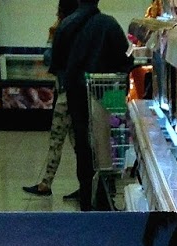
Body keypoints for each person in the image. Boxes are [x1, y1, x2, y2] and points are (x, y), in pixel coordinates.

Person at [48, 0, 130, 211]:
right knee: (108, 146)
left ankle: (86, 197)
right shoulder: (109, 24)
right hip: (108, 94)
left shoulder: (66, 25)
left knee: (83, 146)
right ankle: (104, 197)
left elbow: (56, 63)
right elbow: (125, 59)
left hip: (77, 94)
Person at [23, 0, 81, 199]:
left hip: (65, 95)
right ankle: (87, 183)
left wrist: (51, 38)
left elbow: (49, 58)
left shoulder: (62, 30)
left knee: (56, 139)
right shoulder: (82, 28)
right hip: (78, 93)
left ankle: (45, 185)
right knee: (78, 143)